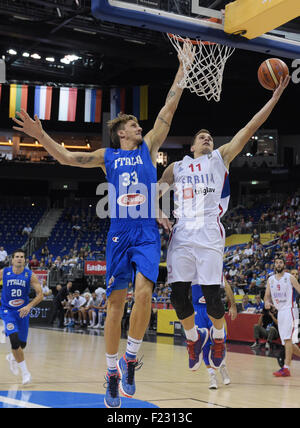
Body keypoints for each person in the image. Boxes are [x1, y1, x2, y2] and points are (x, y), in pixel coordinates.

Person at [12, 46, 190, 408]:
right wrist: (41, 134)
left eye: (140, 125)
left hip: (145, 232)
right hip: (119, 233)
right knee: (114, 305)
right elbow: (67, 157)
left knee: (144, 296)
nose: (140, 127)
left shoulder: (148, 147)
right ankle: (111, 371)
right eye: (133, 125)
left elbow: (168, 111)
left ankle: (130, 359)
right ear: (121, 133)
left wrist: (183, 69)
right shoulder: (106, 157)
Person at [157, 75, 290, 371]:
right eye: (201, 137)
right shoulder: (176, 167)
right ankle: (193, 339)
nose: (207, 138)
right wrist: (157, 210)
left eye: (210, 137)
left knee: (211, 296)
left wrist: (274, 99)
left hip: (208, 230)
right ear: (191, 146)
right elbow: (155, 191)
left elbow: (250, 127)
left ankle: (218, 338)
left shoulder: (220, 158)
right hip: (181, 230)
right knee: (178, 295)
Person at [0, 249, 43, 384]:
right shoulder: (4, 272)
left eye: (22, 257)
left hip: (23, 312)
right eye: (17, 256)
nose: (19, 259)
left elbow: (40, 294)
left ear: (25, 260)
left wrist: (29, 306)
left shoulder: (30, 275)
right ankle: (26, 373)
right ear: (12, 259)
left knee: (22, 344)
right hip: (7, 311)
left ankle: (12, 358)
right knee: (13, 340)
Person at [192, 277, 237, 389]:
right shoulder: (191, 268)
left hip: (214, 307)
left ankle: (222, 366)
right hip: (198, 309)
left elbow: (227, 286)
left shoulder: (213, 267)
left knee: (219, 341)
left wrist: (233, 306)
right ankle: (212, 375)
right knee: (204, 344)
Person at [264, 254, 300, 377]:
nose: (278, 264)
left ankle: (286, 368)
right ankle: (286, 367)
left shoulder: (289, 277)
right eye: (277, 262)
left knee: (288, 340)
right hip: (280, 312)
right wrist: (267, 302)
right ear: (274, 264)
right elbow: (267, 295)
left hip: (290, 309)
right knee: (287, 342)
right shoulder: (270, 279)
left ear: (284, 265)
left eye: (281, 262)